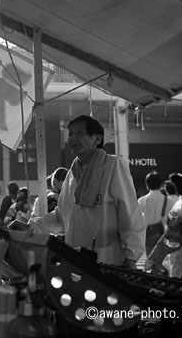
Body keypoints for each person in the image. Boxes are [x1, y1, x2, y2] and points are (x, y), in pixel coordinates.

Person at [51, 115, 145, 268]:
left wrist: (131, 256)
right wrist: (30, 227)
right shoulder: (72, 174)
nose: (73, 138)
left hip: (107, 261)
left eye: (79, 133)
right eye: (70, 134)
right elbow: (61, 217)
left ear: (97, 139)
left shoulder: (113, 165)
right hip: (75, 261)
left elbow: (129, 213)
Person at [138, 171, 173, 257]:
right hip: (162, 234)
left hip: (147, 234)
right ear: (161, 185)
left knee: (150, 259)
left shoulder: (142, 201)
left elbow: (137, 219)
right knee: (162, 260)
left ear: (147, 185)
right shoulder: (168, 201)